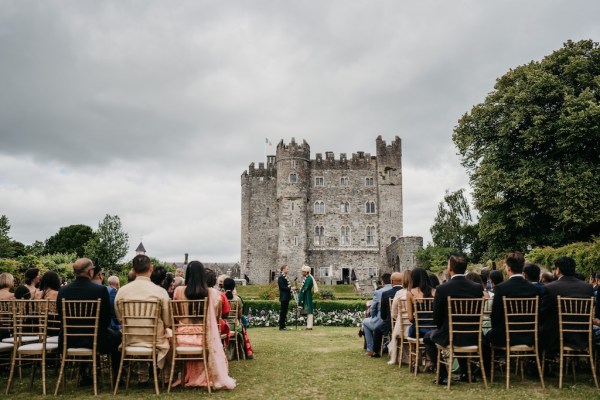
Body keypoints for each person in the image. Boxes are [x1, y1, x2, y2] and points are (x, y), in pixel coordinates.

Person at [56, 258, 121, 385]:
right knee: (117, 336)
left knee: (87, 333)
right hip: (96, 340)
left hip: (69, 340)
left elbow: (61, 316)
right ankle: (117, 376)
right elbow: (105, 318)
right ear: (90, 272)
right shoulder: (100, 290)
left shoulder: (63, 290)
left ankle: (84, 373)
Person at [172, 261, 236, 389]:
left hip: (181, 338)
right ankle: (205, 374)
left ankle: (180, 374)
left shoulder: (178, 290)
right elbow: (217, 315)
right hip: (204, 338)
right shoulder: (212, 293)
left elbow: (176, 315)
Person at [423, 255, 483, 385]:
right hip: (474, 335)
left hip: (450, 334)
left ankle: (443, 375)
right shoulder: (477, 287)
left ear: (450, 268)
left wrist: (440, 327)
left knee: (428, 338)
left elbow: (437, 317)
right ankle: (467, 373)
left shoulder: (442, 288)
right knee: (457, 334)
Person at [115, 255, 172, 384]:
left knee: (138, 329)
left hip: (130, 339)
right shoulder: (160, 291)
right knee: (168, 333)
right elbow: (168, 320)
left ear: (133, 270)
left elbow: (119, 318)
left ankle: (143, 375)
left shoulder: (122, 291)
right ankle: (166, 376)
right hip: (154, 339)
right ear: (151, 268)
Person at [483, 251, 539, 371]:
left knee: (485, 337)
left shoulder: (501, 288)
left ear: (508, 268)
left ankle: (488, 369)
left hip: (506, 336)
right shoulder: (534, 289)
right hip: (531, 336)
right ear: (522, 267)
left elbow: (496, 316)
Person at [539, 256, 594, 355]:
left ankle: (542, 365)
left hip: (557, 338)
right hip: (582, 336)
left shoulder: (550, 288)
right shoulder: (588, 288)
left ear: (558, 270)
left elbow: (543, 312)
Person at [373, 272, 404, 356]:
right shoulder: (406, 293)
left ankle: (376, 351)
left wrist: (385, 319)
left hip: (390, 323)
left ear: (392, 282)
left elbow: (383, 313)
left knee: (377, 329)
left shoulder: (386, 294)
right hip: (406, 323)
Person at [223, 278, 254, 359]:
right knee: (241, 325)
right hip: (234, 326)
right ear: (234, 287)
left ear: (223, 287)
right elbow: (239, 316)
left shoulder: (221, 297)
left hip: (223, 326)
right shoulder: (237, 299)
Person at [362, 273, 391, 356]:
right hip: (395, 321)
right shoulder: (398, 290)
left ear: (382, 282)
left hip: (382, 320)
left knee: (365, 322)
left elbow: (373, 308)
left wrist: (373, 317)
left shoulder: (379, 292)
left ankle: (370, 349)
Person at [298, 265, 318, 330]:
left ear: (306, 272)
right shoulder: (307, 278)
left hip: (307, 295)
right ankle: (308, 326)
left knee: (309, 310)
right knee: (307, 310)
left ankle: (309, 326)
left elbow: (306, 288)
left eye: (303, 272)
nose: (302, 273)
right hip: (305, 294)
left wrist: (301, 291)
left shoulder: (309, 279)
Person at [277, 265, 292, 331]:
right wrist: (290, 289)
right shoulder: (281, 277)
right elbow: (282, 287)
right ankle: (281, 326)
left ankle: (283, 325)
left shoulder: (284, 277)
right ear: (283, 269)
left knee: (285, 311)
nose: (288, 270)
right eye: (287, 269)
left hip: (286, 297)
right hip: (284, 297)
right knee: (283, 311)